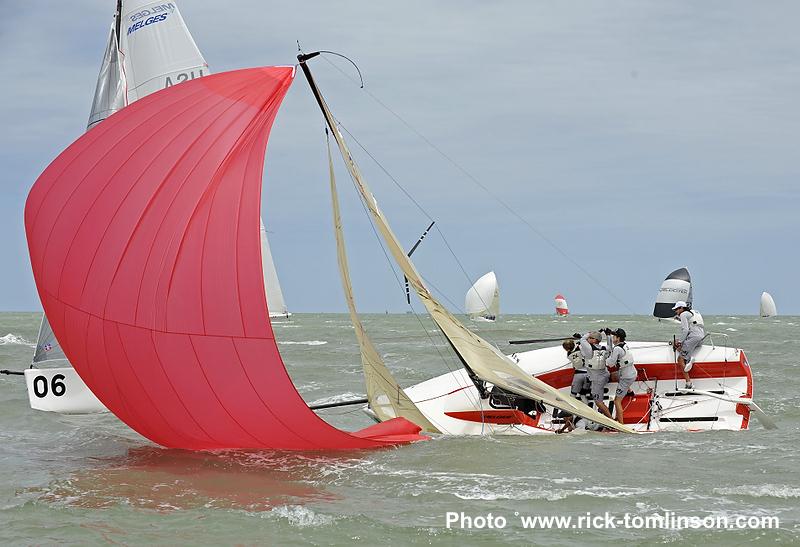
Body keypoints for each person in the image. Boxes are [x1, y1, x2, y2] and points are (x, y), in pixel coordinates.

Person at [604, 328, 636, 424]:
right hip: (631, 372)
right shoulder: (623, 345)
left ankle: (621, 425)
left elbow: (610, 363)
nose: (613, 338)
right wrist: (608, 336)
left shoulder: (617, 349)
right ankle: (629, 391)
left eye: (614, 336)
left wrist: (603, 359)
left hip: (626, 378)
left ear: (617, 338)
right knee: (613, 375)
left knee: (616, 401)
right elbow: (612, 349)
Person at [579, 331, 613, 420]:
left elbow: (582, 339)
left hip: (597, 380)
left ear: (595, 340)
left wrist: (588, 333)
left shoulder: (589, 350)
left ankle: (611, 420)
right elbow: (610, 345)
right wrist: (608, 335)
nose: (588, 339)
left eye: (590, 338)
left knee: (598, 402)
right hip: (605, 375)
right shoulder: (605, 348)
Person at [672, 301, 705, 389]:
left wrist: (679, 341)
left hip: (693, 336)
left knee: (680, 359)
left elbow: (685, 330)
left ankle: (689, 383)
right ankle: (689, 358)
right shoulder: (694, 312)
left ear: (682, 308)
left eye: (677, 309)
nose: (676, 311)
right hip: (701, 336)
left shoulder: (683, 314)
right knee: (680, 347)